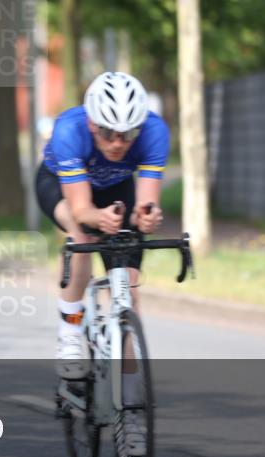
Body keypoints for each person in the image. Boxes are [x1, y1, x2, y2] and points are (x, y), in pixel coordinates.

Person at [35, 72, 169, 379]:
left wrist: (147, 217)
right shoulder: (69, 130)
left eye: (128, 134)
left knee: (128, 284)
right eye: (109, 133)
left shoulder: (154, 132)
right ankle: (69, 331)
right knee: (81, 234)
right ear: (93, 123)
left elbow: (144, 205)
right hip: (61, 186)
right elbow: (82, 209)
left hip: (117, 187)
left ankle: (131, 404)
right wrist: (99, 218)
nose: (118, 143)